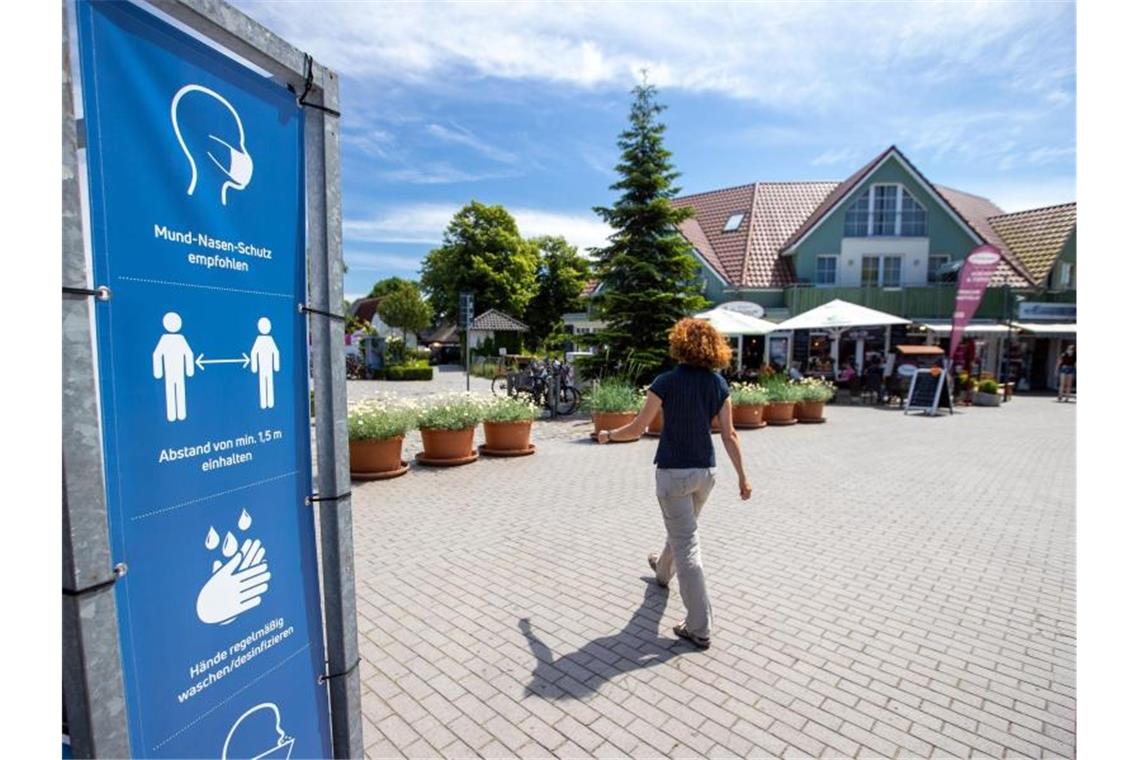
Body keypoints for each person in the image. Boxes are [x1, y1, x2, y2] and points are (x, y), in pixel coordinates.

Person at [597, 318, 752, 650]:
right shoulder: (718, 385)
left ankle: (699, 627)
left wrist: (609, 435)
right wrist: (742, 477)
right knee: (684, 531)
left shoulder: (665, 382)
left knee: (688, 544)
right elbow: (729, 435)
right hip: (705, 474)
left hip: (673, 474)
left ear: (679, 343)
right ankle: (662, 572)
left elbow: (638, 428)